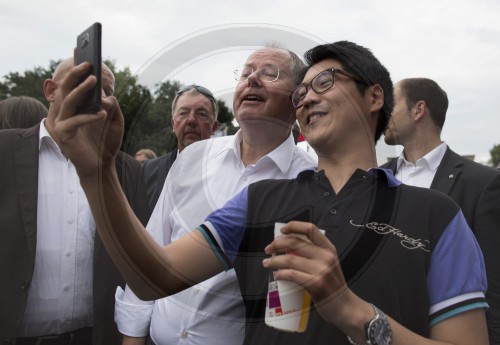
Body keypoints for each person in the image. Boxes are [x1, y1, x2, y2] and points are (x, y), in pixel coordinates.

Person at [53, 41, 489, 345]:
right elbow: (152, 278)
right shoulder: (260, 200)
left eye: (325, 82)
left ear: (375, 96)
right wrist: (98, 173)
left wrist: (351, 311)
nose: (305, 98)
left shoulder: (438, 215)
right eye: (301, 91)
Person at [115, 48, 316, 345]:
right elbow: (153, 245)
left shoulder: (310, 181)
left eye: (269, 73)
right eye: (246, 73)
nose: (252, 80)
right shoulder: (193, 158)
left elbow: (288, 310)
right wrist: (132, 338)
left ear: (297, 98)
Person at [0, 58, 150, 345]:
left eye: (106, 90)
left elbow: (138, 263)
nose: (99, 97)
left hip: (95, 337)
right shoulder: (4, 150)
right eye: (84, 83)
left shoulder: (126, 169)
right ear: (50, 90)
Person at [382, 77, 500, 344]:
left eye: (392, 103)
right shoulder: (376, 178)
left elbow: (492, 285)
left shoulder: (482, 184)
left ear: (418, 109)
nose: (383, 111)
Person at [142, 85, 219, 209]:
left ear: (214, 127)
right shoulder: (150, 170)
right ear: (173, 124)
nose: (191, 120)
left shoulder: (227, 172)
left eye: (201, 114)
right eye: (183, 113)